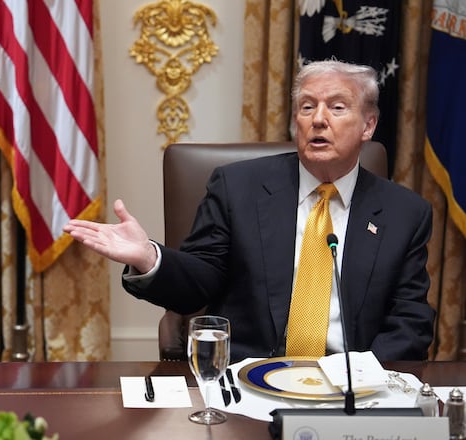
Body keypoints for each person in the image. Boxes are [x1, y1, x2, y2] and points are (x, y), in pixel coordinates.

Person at [64, 60, 434, 362]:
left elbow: (411, 324)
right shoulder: (237, 188)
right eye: (307, 107)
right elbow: (199, 283)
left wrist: (355, 376)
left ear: (368, 124)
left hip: (350, 388)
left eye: (337, 107)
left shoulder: (405, 214)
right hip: (250, 380)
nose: (318, 119)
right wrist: (149, 257)